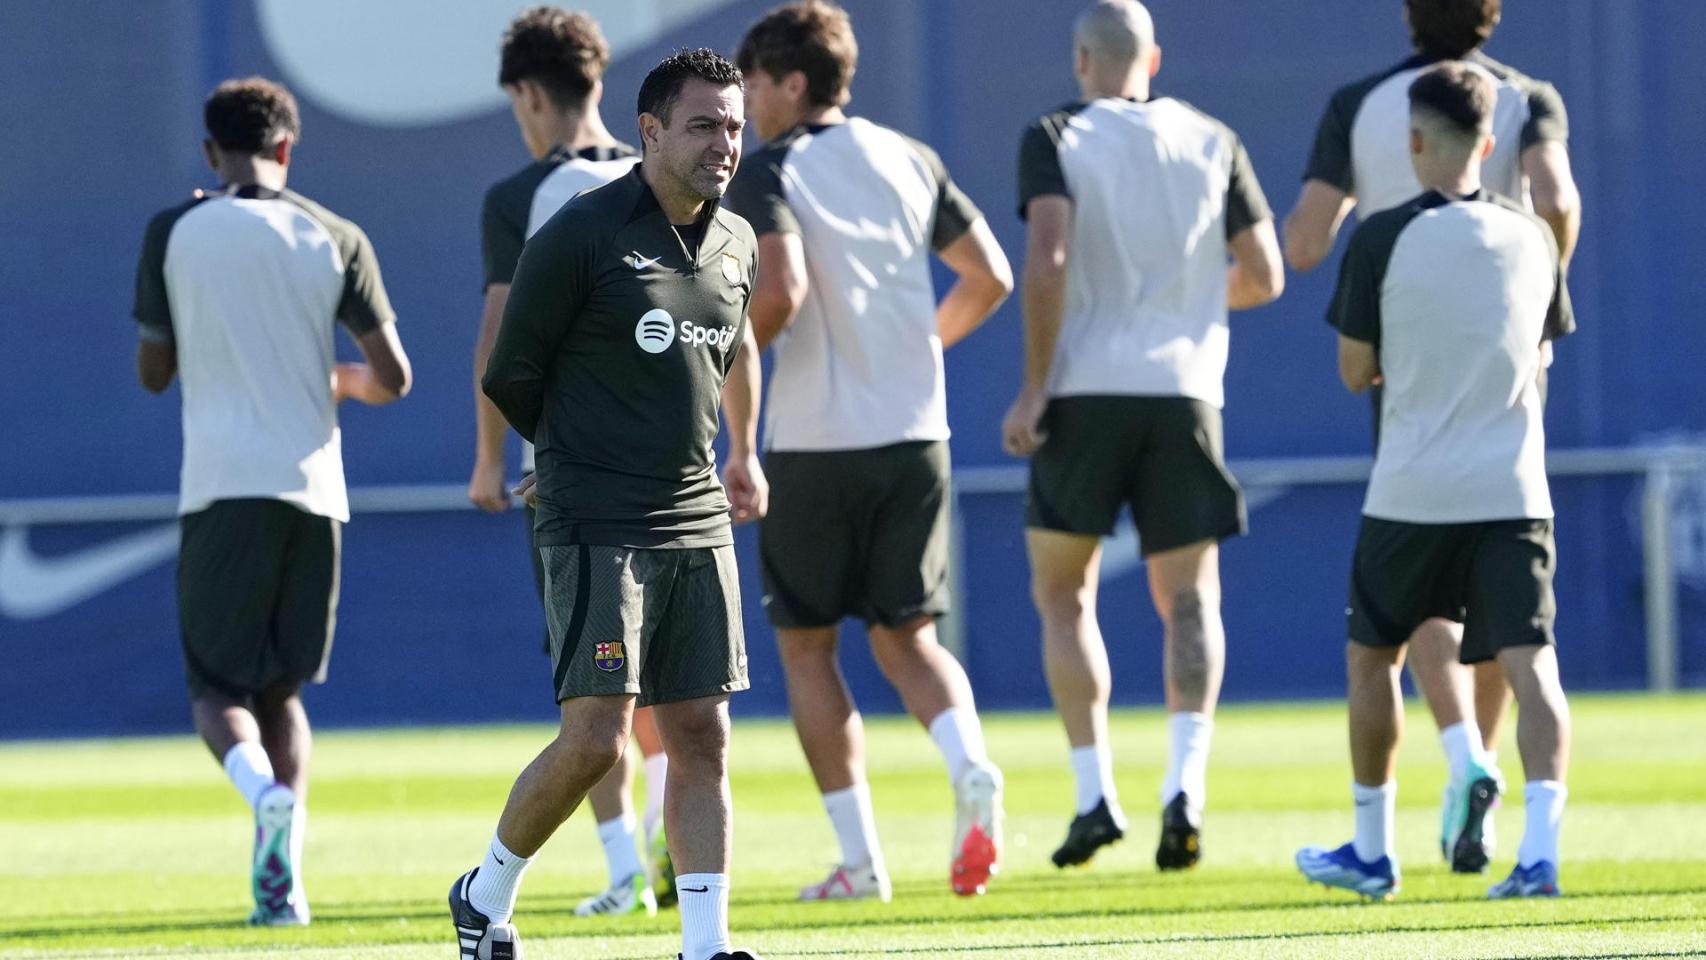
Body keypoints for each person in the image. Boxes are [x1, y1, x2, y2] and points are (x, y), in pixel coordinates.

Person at [450, 48, 768, 960]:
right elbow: (509, 370)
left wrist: (737, 456)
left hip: (696, 516)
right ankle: (485, 892)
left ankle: (705, 945)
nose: (724, 144)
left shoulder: (737, 243)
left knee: (703, 731)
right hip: (596, 521)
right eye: (704, 124)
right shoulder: (581, 233)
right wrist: (567, 451)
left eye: (736, 127)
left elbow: (723, 360)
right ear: (652, 129)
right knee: (596, 738)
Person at [1281, 0, 1581, 874]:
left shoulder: (1371, 179)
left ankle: (1409, 816)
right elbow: (1558, 203)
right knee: (1527, 653)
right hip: (1512, 438)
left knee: (1385, 639)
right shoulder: (1531, 211)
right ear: (1491, 145)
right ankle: (1534, 851)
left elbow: (1311, 264)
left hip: (1413, 439)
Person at [726, 0, 1015, 900]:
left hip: (815, 441)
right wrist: (921, 345)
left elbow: (779, 287)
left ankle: (860, 864)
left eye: (755, 87)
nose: (747, 106)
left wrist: (729, 368)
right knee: (909, 638)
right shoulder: (909, 156)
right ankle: (970, 763)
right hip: (915, 434)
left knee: (809, 650)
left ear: (793, 83)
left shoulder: (768, 167)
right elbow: (991, 277)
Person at [1001, 0, 1283, 873]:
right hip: (1185, 391)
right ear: (1152, 58)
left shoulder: (1055, 133)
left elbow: (1046, 259)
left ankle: (1094, 794)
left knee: (1062, 595)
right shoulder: (1213, 136)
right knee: (1193, 601)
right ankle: (1186, 786)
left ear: (1083, 58)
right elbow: (1265, 275)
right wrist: (1193, 304)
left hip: (1085, 391)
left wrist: (1034, 387)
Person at [133, 76, 411, 926]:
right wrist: (334, 380)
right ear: (288, 148)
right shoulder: (336, 234)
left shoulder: (174, 229)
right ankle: (282, 886)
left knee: (217, 689)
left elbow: (153, 373)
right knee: (283, 692)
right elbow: (395, 377)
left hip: (222, 487)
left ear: (212, 153)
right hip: (315, 492)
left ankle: (262, 798)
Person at [469, 5, 675, 916]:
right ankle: (667, 843)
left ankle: (627, 863)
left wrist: (488, 457)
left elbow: (499, 339)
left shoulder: (522, 197)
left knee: (592, 685)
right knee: (680, 679)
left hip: (567, 479)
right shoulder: (666, 176)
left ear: (527, 92)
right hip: (675, 472)